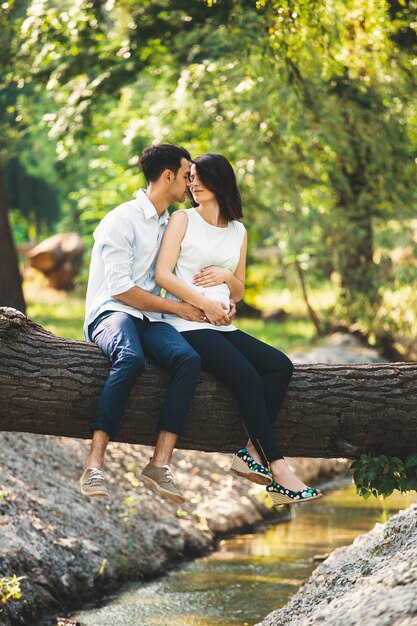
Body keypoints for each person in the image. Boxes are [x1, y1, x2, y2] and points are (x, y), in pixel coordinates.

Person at [155, 153, 321, 506]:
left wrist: (228, 284)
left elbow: (240, 289)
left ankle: (250, 452)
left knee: (280, 365)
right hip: (189, 323)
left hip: (221, 324)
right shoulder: (182, 219)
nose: (192, 184)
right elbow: (163, 275)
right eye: (191, 178)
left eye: (200, 177)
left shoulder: (238, 231)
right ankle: (279, 469)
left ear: (220, 181)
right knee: (248, 379)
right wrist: (205, 302)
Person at [81, 144, 232, 504]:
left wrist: (220, 302)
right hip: (112, 312)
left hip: (151, 318)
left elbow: (189, 273)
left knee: (188, 359)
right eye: (185, 176)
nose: (190, 183)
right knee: (130, 359)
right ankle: (93, 464)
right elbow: (120, 289)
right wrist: (179, 309)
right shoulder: (123, 219)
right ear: (168, 176)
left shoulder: (171, 222)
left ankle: (160, 463)